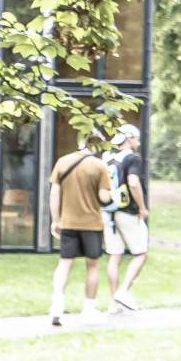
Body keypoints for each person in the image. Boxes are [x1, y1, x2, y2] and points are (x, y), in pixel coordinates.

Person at [48, 133, 111, 326]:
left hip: (68, 223)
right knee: (92, 266)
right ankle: (88, 310)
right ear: (97, 146)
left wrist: (55, 220)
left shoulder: (63, 162)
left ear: (79, 142)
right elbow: (105, 198)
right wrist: (111, 192)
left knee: (64, 264)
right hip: (92, 224)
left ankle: (57, 305)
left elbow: (55, 193)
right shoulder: (100, 166)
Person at [107, 121, 149, 313]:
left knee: (114, 256)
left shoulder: (108, 158)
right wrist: (142, 207)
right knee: (140, 253)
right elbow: (133, 182)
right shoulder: (133, 158)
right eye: (137, 139)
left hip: (109, 213)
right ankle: (123, 292)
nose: (138, 143)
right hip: (127, 212)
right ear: (130, 138)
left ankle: (114, 304)